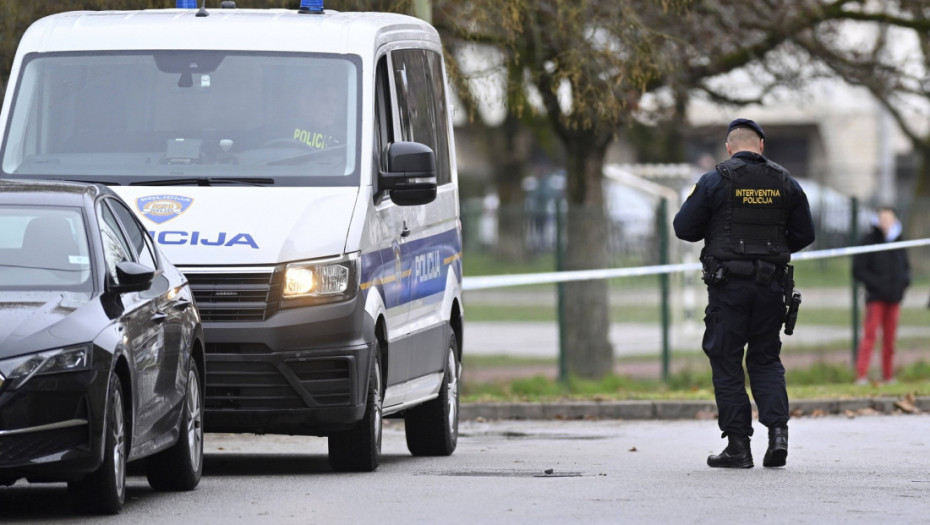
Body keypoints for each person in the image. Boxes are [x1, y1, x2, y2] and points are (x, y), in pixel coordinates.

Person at [673, 118, 815, 469]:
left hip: (729, 288)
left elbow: (684, 228)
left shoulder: (715, 179)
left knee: (726, 360)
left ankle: (738, 446)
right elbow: (805, 233)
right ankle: (778, 437)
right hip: (771, 287)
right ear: (762, 146)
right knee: (766, 360)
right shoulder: (786, 181)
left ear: (729, 147)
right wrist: (773, 249)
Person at [852, 207, 910, 384]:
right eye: (882, 218)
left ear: (894, 220)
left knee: (890, 340)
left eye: (888, 218)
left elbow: (905, 268)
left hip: (894, 298)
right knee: (869, 336)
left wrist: (903, 284)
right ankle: (861, 375)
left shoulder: (899, 241)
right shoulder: (869, 240)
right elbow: (858, 269)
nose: (885, 222)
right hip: (875, 298)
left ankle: (888, 375)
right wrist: (876, 284)